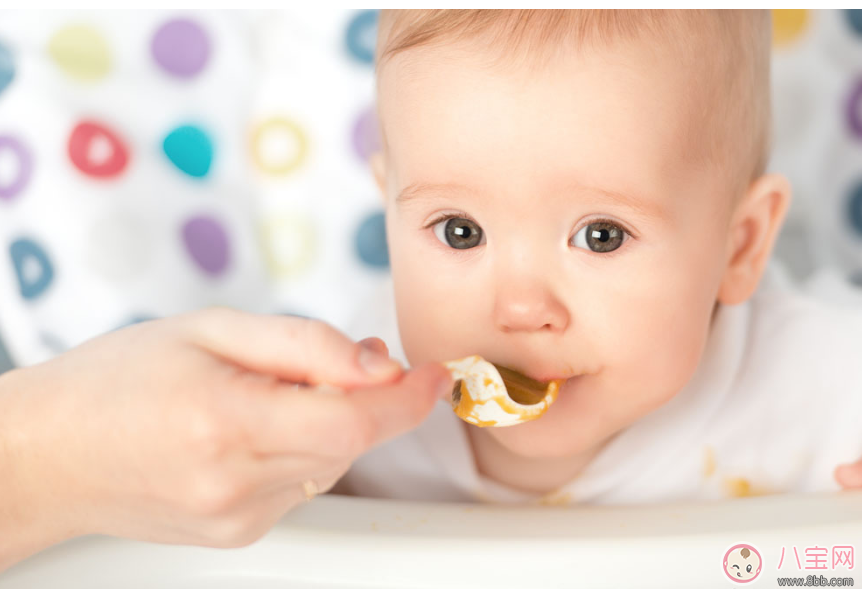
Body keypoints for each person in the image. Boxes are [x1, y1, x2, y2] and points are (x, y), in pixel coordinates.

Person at [4, 8, 862, 573]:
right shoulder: (337, 420)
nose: (519, 305)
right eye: (460, 232)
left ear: (739, 245)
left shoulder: (825, 382)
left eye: (600, 235)